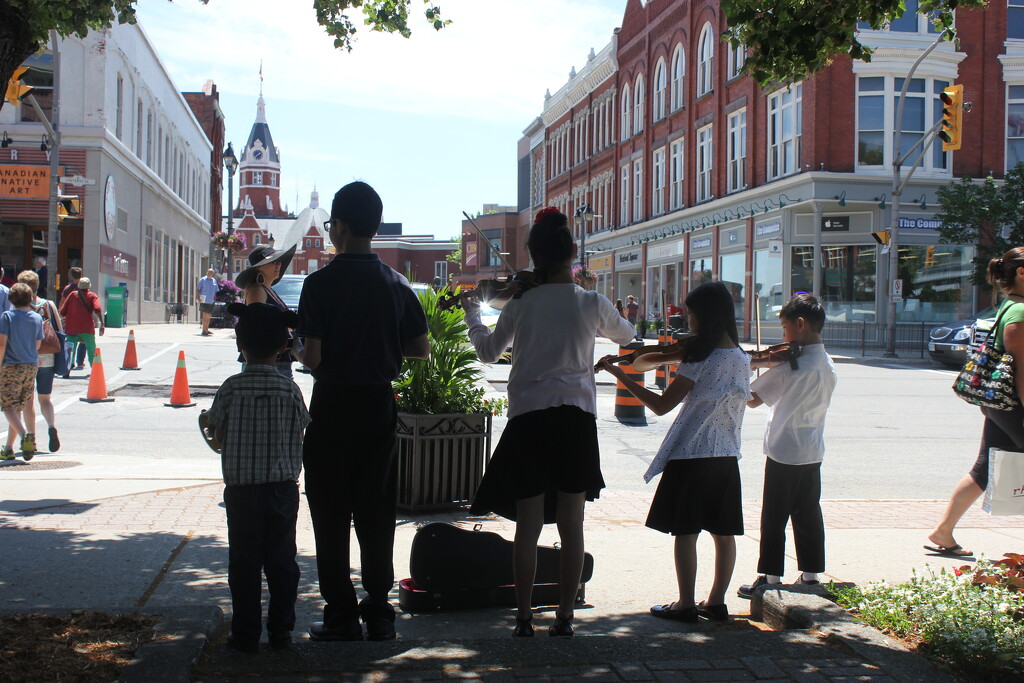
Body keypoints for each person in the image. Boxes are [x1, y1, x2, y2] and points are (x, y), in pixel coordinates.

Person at [464, 207, 635, 638]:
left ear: (533, 255)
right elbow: (627, 336)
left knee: (529, 525)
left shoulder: (522, 302)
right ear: (572, 253)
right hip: (575, 419)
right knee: (572, 524)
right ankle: (564, 618)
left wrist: (472, 314)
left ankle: (523, 619)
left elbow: (487, 352)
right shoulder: (591, 302)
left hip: (529, 419)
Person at [296, 181, 429, 642]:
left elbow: (311, 358)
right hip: (378, 406)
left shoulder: (318, 285)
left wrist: (298, 348)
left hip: (332, 408)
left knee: (330, 514)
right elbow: (421, 348)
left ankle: (340, 615)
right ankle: (379, 613)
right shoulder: (397, 284)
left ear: (343, 227)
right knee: (377, 514)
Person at [598, 281, 750, 623]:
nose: (689, 322)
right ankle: (716, 603)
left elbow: (662, 405)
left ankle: (684, 604)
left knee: (686, 532)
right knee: (724, 534)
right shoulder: (742, 358)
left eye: (691, 314)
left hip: (693, 454)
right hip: (727, 457)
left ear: (704, 316)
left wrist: (621, 375)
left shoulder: (700, 358)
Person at [204, 301, 311, 653]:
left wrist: (209, 426)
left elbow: (217, 436)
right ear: (284, 347)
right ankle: (281, 630)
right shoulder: (290, 390)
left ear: (239, 345)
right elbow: (301, 433)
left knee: (244, 562)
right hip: (282, 490)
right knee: (282, 561)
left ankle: (245, 632)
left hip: (241, 490)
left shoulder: (231, 388)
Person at [736, 294, 838, 598]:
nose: (783, 337)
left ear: (801, 324)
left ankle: (770, 576)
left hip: (784, 451)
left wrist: (741, 369)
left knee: (774, 516)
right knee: (808, 512)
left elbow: (752, 400)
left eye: (785, 328)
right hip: (812, 450)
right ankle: (810, 574)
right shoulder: (828, 364)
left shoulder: (791, 368)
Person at [927, 248, 1024, 557]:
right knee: (984, 468)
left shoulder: (1011, 305)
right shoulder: (1020, 312)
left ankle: (943, 531)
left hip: (999, 404)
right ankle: (943, 530)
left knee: (983, 469)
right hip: (1013, 405)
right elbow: (1021, 368)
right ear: (1022, 274)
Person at [236, 245, 298, 378]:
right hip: (267, 362)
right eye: (273, 262)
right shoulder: (257, 290)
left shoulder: (265, 288)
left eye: (279, 261)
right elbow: (258, 329)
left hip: (276, 359)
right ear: (259, 267)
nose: (278, 265)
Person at [17, 270, 63, 453]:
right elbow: (60, 331)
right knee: (45, 399)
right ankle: (51, 427)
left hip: (27, 358)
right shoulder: (48, 304)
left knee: (28, 402)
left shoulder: (20, 308)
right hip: (47, 357)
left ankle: (32, 438)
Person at [0, 283, 43, 461]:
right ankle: (8, 448)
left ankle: (25, 436)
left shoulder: (7, 317)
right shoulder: (36, 318)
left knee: (8, 406)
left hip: (11, 365)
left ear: (11, 299)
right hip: (31, 366)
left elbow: (2, 344)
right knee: (18, 405)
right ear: (31, 297)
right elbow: (38, 344)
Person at [59, 277, 104, 370]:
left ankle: (67, 367)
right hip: (87, 329)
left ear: (79, 286)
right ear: (89, 286)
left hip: (72, 328)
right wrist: (102, 324)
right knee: (91, 349)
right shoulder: (92, 296)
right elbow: (97, 309)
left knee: (70, 350)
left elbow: (63, 311)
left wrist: (63, 320)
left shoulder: (72, 295)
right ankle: (95, 369)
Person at [60, 267, 86, 370]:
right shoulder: (84, 288)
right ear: (81, 275)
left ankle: (70, 361)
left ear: (72, 276)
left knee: (71, 339)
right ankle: (80, 361)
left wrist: (61, 316)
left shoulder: (67, 288)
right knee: (83, 340)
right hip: (82, 318)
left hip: (70, 318)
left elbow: (62, 303)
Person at [196, 269, 220, 336]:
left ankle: (206, 329)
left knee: (208, 316)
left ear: (213, 274)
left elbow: (215, 291)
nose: (210, 274)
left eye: (211, 273)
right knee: (204, 316)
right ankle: (204, 330)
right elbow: (198, 289)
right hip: (204, 300)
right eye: (209, 272)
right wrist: (197, 298)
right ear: (207, 272)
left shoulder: (214, 280)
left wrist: (214, 297)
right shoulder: (202, 280)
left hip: (211, 301)